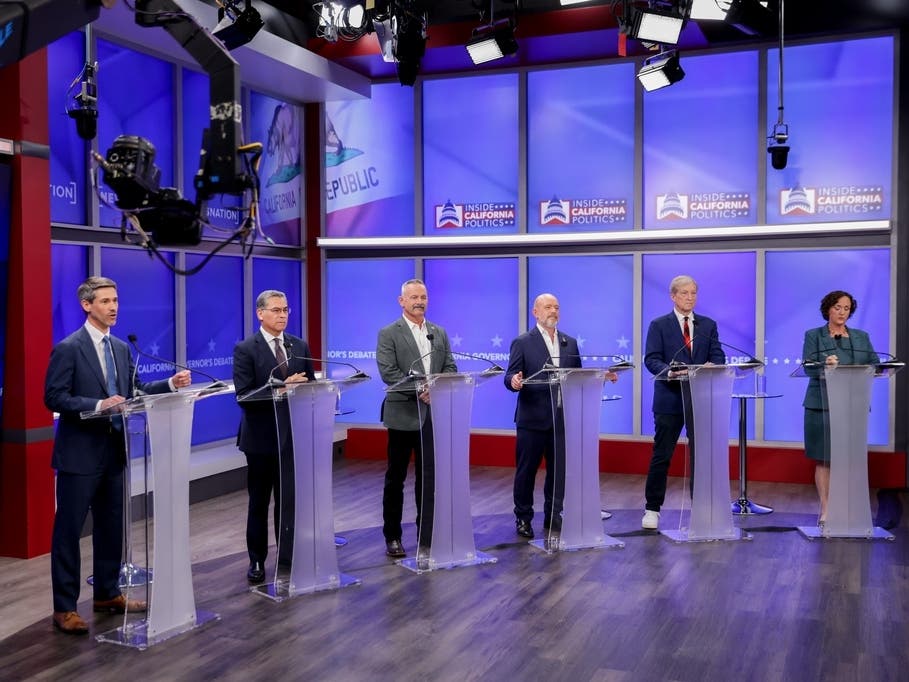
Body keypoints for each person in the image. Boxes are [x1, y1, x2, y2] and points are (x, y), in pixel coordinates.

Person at [44, 276, 191, 635]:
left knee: (112, 529)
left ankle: (107, 594)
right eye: (106, 301)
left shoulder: (121, 348)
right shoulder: (69, 348)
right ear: (87, 305)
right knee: (68, 532)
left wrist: (169, 385)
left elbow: (134, 392)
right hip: (79, 456)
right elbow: (54, 397)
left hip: (114, 451)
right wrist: (96, 404)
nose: (113, 307)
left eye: (116, 300)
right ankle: (64, 607)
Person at [233, 290, 316, 584]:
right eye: (276, 310)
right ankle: (256, 559)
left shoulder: (298, 345)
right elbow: (244, 397)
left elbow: (310, 388)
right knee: (259, 502)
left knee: (289, 500)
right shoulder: (246, 349)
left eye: (285, 310)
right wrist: (281, 389)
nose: (282, 315)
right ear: (260, 313)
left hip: (293, 437)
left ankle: (288, 554)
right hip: (260, 439)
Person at [376, 278, 457, 559]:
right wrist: (422, 389)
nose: (419, 301)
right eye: (413, 297)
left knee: (429, 479)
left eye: (423, 296)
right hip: (402, 416)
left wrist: (437, 388)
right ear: (402, 301)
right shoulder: (389, 333)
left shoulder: (439, 332)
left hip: (432, 416)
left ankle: (428, 532)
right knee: (395, 479)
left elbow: (449, 366)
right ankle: (393, 536)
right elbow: (389, 373)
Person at [642, 275, 724, 530]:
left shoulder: (707, 325)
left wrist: (714, 365)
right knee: (662, 455)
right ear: (673, 296)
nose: (690, 298)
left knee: (702, 456)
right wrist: (669, 371)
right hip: (669, 399)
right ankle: (652, 509)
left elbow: (718, 355)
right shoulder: (659, 325)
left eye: (694, 293)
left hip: (700, 399)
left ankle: (701, 508)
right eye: (685, 293)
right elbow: (651, 359)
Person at [505, 293, 583, 540]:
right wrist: (514, 381)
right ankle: (523, 518)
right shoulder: (523, 342)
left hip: (562, 419)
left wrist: (602, 378)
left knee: (558, 472)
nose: (553, 311)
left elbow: (578, 376)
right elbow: (510, 376)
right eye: (548, 307)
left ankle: (553, 515)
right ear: (535, 312)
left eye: (557, 307)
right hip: (532, 419)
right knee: (526, 472)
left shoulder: (569, 342)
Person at [801, 290, 878, 524]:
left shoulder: (861, 337)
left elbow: (874, 364)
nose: (842, 312)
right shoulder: (814, 335)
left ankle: (847, 508)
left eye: (846, 308)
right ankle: (826, 510)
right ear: (828, 309)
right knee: (825, 458)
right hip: (821, 405)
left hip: (852, 404)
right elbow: (807, 366)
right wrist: (823, 364)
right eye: (837, 307)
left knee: (848, 458)